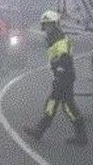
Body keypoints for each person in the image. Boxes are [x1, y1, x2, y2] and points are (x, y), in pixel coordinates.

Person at [23, 10, 87, 145]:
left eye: (50, 25)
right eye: (45, 26)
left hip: (64, 77)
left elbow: (65, 59)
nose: (47, 28)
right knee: (66, 106)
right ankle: (81, 136)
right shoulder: (54, 40)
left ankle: (39, 131)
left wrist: (60, 73)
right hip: (62, 77)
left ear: (56, 25)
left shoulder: (60, 40)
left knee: (56, 105)